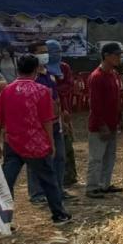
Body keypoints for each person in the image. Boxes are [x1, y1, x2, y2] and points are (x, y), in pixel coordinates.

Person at [0, 53, 70, 224]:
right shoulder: (41, 91)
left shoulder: (6, 90)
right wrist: (51, 142)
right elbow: (46, 121)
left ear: (17, 69)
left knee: (7, 182)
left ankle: (4, 220)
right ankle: (58, 214)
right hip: (36, 144)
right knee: (49, 180)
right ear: (36, 70)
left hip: (12, 143)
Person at [27, 41, 71, 203]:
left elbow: (56, 98)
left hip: (54, 122)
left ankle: (57, 189)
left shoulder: (48, 75)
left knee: (59, 157)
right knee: (38, 159)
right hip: (37, 124)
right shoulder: (30, 77)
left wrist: (62, 119)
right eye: (41, 52)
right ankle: (37, 193)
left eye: (46, 51)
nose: (46, 55)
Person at [85, 42, 123, 198]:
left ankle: (104, 184)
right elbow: (95, 103)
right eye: (116, 55)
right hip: (100, 124)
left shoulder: (113, 74)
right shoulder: (97, 76)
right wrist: (101, 124)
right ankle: (92, 187)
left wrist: (119, 119)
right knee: (96, 157)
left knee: (109, 156)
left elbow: (116, 99)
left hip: (112, 121)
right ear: (106, 56)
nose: (119, 58)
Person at [44, 39, 78, 188]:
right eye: (54, 52)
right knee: (52, 148)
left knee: (67, 145)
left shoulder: (64, 67)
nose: (57, 54)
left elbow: (69, 85)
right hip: (49, 115)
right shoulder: (42, 68)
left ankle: (69, 176)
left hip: (65, 111)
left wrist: (56, 91)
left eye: (59, 51)